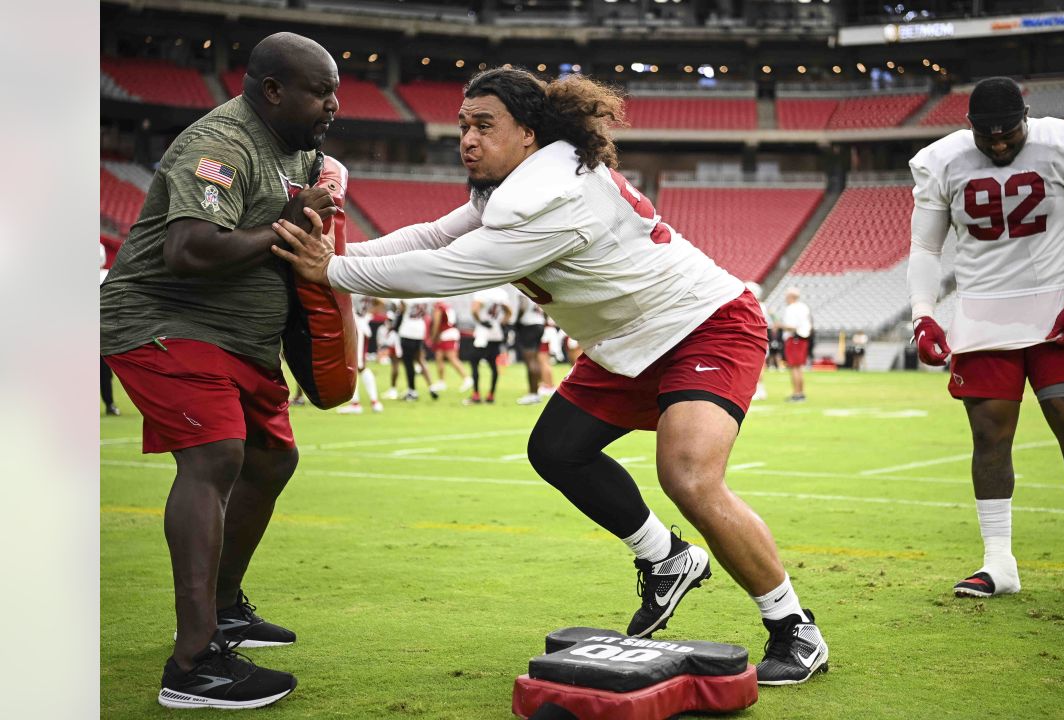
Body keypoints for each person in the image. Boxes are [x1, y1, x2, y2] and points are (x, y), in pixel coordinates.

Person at [270, 67, 829, 685]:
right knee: (557, 449)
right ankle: (665, 559)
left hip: (703, 322)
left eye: (485, 125)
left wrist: (335, 274)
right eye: (463, 125)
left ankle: (793, 626)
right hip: (625, 339)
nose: (468, 139)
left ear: (530, 134)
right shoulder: (519, 182)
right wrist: (336, 256)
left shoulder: (552, 192)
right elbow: (434, 234)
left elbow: (453, 269)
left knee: (689, 475)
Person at [99, 32, 340, 709]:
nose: (333, 105)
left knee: (271, 460)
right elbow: (189, 248)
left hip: (242, 335)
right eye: (321, 91)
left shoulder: (298, 147)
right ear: (272, 90)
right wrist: (288, 227)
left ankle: (226, 608)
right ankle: (195, 664)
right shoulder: (222, 144)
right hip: (166, 319)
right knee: (216, 456)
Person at [906, 76, 1064, 603]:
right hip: (983, 313)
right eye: (989, 136)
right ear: (969, 128)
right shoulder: (941, 161)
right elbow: (924, 248)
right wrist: (923, 314)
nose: (1001, 143)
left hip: (1055, 307)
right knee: (989, 438)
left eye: (1010, 132)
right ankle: (998, 562)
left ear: (1026, 117)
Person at [336, 294, 385, 414]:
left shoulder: (353, 283)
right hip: (360, 324)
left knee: (357, 367)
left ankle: (358, 404)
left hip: (356, 326)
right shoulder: (366, 284)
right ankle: (372, 402)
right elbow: (380, 300)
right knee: (357, 366)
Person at [466, 286, 513, 404]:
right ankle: (491, 395)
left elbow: (474, 310)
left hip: (482, 334)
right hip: (495, 333)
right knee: (493, 365)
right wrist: (502, 323)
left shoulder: (482, 292)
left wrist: (480, 321)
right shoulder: (501, 293)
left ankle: (476, 394)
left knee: (474, 363)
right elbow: (509, 311)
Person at [395, 297, 439, 401]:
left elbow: (401, 309)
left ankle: (412, 391)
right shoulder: (425, 297)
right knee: (420, 359)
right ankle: (431, 387)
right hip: (420, 330)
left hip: (408, 331)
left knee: (408, 363)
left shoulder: (408, 297)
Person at [514, 292, 552, 405]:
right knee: (535, 359)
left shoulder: (521, 287)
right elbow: (546, 307)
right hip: (539, 324)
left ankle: (533, 393)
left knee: (530, 361)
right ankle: (536, 392)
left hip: (528, 325)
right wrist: (543, 321)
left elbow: (523, 306)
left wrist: (516, 322)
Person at [777, 287, 812, 402]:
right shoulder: (803, 307)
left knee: (794, 367)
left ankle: (797, 394)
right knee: (799, 367)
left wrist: (779, 326)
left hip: (794, 339)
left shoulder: (791, 309)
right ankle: (800, 393)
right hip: (803, 339)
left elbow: (791, 326)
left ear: (791, 297)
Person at [429, 299, 472, 392]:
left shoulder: (439, 307)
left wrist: (433, 335)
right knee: (439, 357)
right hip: (450, 332)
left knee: (452, 357)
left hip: (446, 333)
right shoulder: (447, 306)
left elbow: (437, 322)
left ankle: (467, 378)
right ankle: (441, 382)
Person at [100, 239, 122, 416]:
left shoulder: (105, 276)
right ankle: (109, 404)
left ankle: (109, 403)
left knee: (103, 372)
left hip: (101, 331)